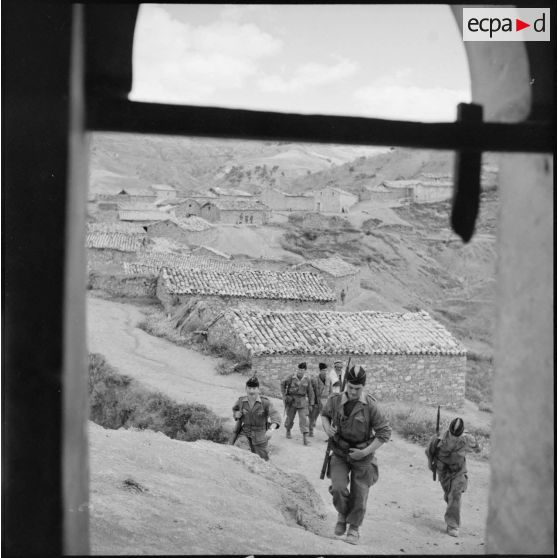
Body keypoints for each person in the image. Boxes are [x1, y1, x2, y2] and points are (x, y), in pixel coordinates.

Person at [321, 365, 392, 545]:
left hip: (363, 455)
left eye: (357, 389)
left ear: (363, 387)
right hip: (339, 451)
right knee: (338, 488)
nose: (353, 392)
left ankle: (353, 527)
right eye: (350, 387)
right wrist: (327, 428)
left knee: (359, 493)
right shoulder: (335, 400)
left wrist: (364, 452)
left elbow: (384, 434)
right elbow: (324, 414)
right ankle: (342, 514)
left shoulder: (371, 406)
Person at [426, 417, 478, 537]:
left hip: (459, 471)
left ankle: (452, 525)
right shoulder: (439, 439)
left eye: (457, 434)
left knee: (455, 494)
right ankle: (452, 510)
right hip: (443, 472)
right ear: (449, 430)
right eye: (453, 434)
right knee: (449, 497)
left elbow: (477, 449)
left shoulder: (467, 439)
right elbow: (429, 452)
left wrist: (474, 443)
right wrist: (431, 465)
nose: (455, 437)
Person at [231, 376, 281, 461]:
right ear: (246, 389)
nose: (251, 391)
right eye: (249, 388)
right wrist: (236, 414)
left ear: (258, 389)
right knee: (237, 453)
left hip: (260, 435)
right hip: (244, 432)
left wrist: (271, 430)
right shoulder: (241, 401)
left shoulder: (265, 403)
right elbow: (235, 409)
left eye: (254, 388)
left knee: (263, 459)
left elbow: (275, 416)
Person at [280, 362, 315, 446]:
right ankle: (288, 430)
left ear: (305, 370)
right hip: (292, 401)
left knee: (304, 419)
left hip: (302, 401)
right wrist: (284, 396)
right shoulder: (291, 377)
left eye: (302, 370)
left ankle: (305, 438)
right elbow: (282, 384)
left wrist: (311, 403)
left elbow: (310, 392)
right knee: (290, 418)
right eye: (299, 369)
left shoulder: (307, 379)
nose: (300, 371)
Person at [309, 362, 333, 437]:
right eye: (323, 370)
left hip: (325, 403)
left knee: (326, 420)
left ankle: (329, 435)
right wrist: (311, 403)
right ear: (320, 371)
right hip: (316, 402)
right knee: (312, 418)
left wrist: (331, 402)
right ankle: (310, 431)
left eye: (326, 370)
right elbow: (311, 391)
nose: (325, 372)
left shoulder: (329, 379)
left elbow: (331, 392)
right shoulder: (314, 379)